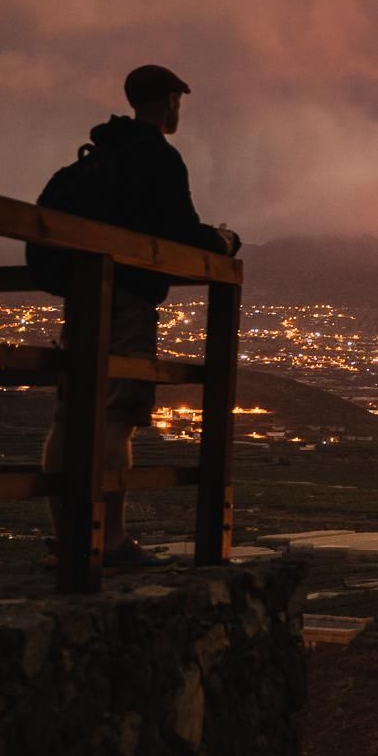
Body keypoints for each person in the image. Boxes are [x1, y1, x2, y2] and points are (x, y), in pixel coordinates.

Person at [42, 64, 240, 568]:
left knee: (71, 413)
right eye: (178, 101)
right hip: (127, 295)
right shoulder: (158, 157)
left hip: (82, 291)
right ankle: (107, 540)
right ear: (171, 101)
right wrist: (221, 242)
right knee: (115, 415)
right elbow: (177, 229)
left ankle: (66, 534)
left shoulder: (100, 155)